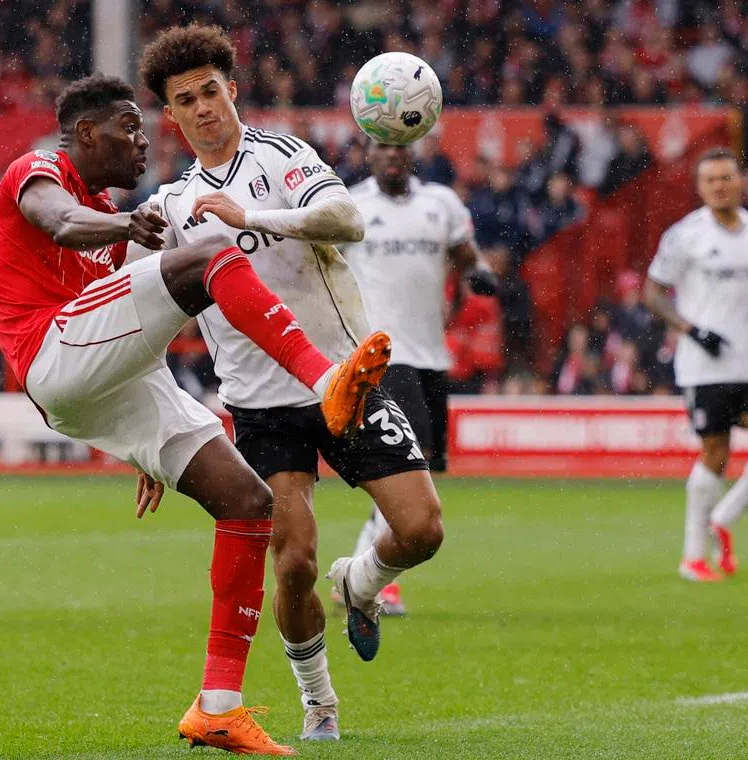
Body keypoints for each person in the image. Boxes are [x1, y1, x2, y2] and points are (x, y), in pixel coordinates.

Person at [0, 73, 390, 757]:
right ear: (86, 134)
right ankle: (327, 380)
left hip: (101, 381)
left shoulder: (112, 225)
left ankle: (218, 707)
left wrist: (150, 441)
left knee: (247, 502)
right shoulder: (42, 172)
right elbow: (58, 221)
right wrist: (122, 225)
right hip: (48, 352)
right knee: (206, 255)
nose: (145, 139)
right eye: (129, 127)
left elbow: (129, 325)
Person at [135, 25, 444, 741]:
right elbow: (145, 323)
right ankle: (320, 703)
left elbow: (345, 219)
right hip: (259, 406)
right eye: (187, 100)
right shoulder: (169, 208)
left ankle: (359, 583)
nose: (204, 107)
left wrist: (251, 217)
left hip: (342, 378)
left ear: (232, 90)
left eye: (212, 90)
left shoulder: (281, 156)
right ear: (172, 117)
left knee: (423, 531)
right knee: (293, 558)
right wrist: (145, 441)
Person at [338, 139, 497, 613]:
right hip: (381, 356)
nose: (392, 155)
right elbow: (321, 266)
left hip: (431, 356)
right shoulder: (351, 206)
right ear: (368, 154)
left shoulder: (441, 204)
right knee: (406, 465)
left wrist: (480, 272)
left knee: (422, 466)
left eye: (399, 148)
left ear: (414, 155)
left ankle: (358, 574)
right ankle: (375, 581)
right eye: (381, 147)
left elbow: (467, 256)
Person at [643, 147, 748, 583]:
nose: (720, 186)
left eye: (726, 178)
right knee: (716, 455)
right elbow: (652, 292)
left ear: (740, 181)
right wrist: (691, 330)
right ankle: (693, 556)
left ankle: (723, 517)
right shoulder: (685, 235)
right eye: (711, 180)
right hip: (704, 366)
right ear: (700, 187)